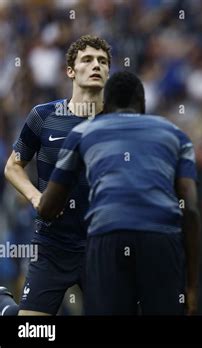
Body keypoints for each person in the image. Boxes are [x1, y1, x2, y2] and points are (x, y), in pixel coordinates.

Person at [37, 71, 201, 315]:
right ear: (143, 104)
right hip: (161, 240)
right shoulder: (176, 134)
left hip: (107, 236)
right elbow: (189, 208)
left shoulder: (82, 133)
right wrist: (191, 285)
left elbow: (48, 208)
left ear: (105, 104)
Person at [1, 35, 111, 316]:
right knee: (31, 333)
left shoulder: (121, 122)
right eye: (87, 59)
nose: (96, 65)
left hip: (102, 246)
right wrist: (36, 198)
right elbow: (13, 166)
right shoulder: (44, 115)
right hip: (52, 244)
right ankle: (6, 308)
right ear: (70, 71)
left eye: (102, 61)